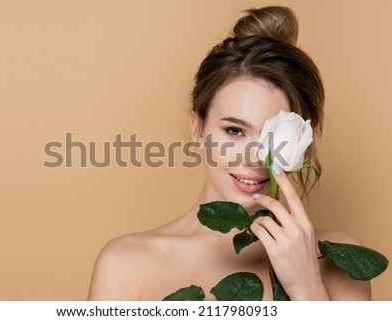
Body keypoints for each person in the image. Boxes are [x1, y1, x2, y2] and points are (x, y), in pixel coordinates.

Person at [88, 6, 371, 300]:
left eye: (273, 136)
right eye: (235, 131)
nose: (254, 157)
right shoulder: (126, 264)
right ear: (198, 129)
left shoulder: (340, 258)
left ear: (303, 141)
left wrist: (306, 287)